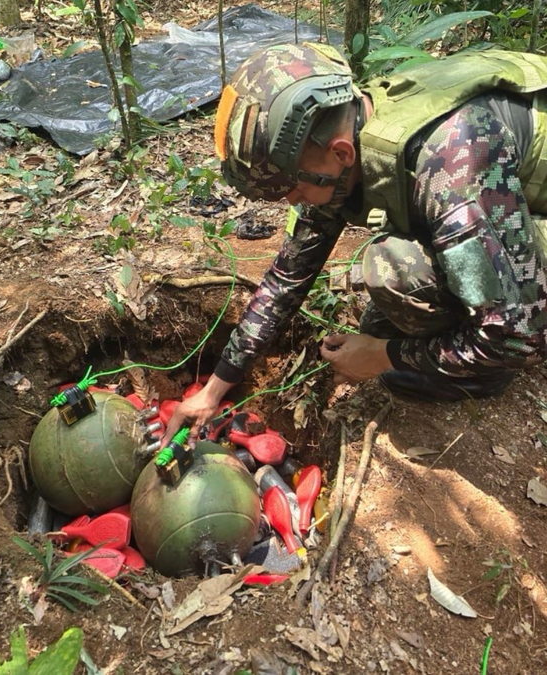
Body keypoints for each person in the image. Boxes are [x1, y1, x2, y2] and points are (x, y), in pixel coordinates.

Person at [163, 42, 547, 444]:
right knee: (383, 321)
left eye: (292, 191)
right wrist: (213, 391)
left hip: (501, 231)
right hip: (503, 206)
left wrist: (383, 356)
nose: (293, 203)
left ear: (341, 152)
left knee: (396, 271)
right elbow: (285, 281)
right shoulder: (341, 145)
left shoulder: (450, 168)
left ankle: (488, 376)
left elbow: (522, 338)